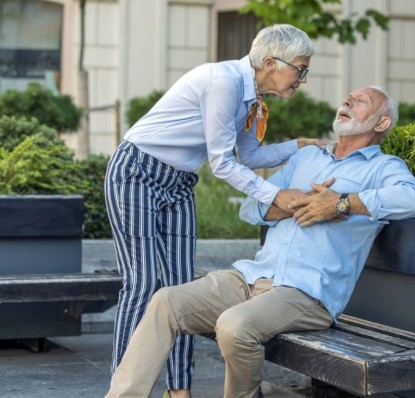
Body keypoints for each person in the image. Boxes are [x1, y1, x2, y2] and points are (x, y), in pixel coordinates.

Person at [105, 86, 415, 398]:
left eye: (361, 100)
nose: (348, 100)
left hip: (306, 292)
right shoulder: (306, 159)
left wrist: (340, 203)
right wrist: (291, 203)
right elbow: (251, 207)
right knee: (166, 301)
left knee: (234, 326)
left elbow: (414, 199)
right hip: (252, 275)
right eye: (349, 96)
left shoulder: (384, 167)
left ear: (381, 123)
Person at [104, 24, 326, 398]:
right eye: (300, 69)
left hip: (177, 184)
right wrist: (277, 195)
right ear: (270, 62)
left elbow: (250, 157)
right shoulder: (222, 82)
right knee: (142, 284)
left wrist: (298, 145)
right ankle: (121, 389)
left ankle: (179, 391)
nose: (302, 79)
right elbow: (222, 164)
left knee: (178, 288)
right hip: (137, 172)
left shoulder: (250, 99)